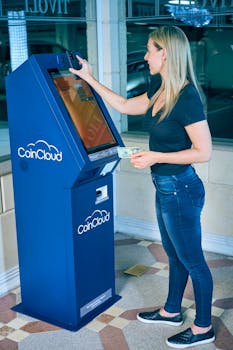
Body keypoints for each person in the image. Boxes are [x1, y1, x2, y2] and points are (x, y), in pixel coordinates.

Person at [69, 25, 215, 349]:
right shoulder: (159, 87)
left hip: (181, 189)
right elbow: (122, 105)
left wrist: (156, 156)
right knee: (175, 256)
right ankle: (171, 311)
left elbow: (203, 152)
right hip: (166, 187)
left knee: (193, 261)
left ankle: (204, 328)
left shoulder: (186, 96)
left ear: (165, 53)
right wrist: (88, 77)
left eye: (150, 49)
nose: (145, 55)